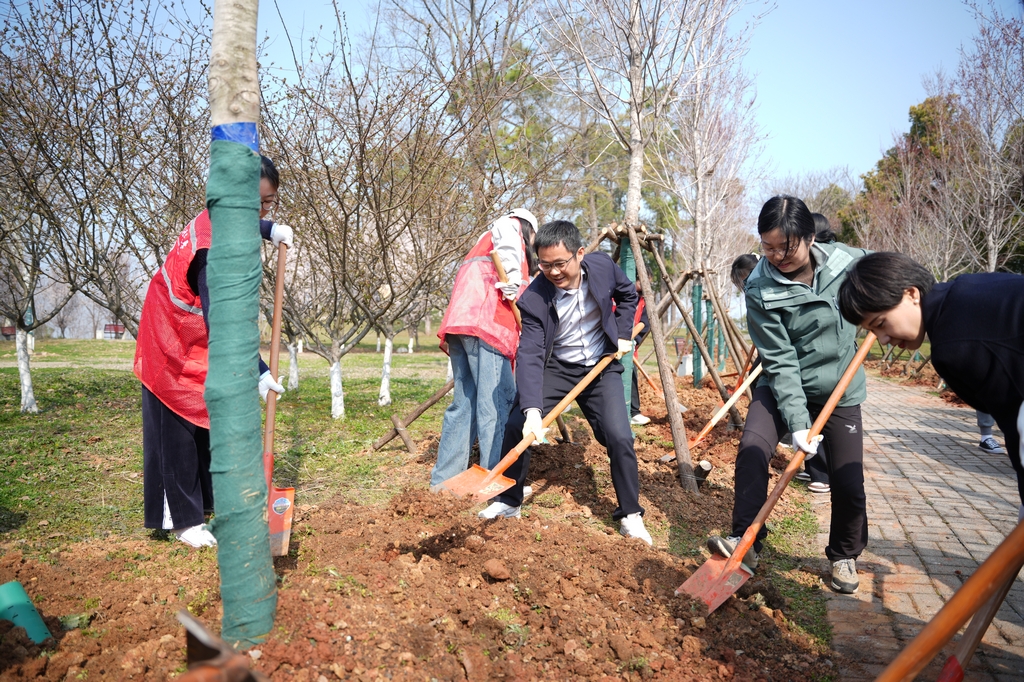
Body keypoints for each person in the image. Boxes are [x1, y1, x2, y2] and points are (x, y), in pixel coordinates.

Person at [708, 195, 870, 594]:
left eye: (786, 246)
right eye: (768, 247)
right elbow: (780, 361)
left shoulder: (847, 262)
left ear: (810, 238)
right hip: (784, 384)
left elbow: (887, 278)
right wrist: (797, 423)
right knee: (752, 448)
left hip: (839, 386)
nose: (777, 256)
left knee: (848, 479)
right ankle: (745, 541)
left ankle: (844, 554)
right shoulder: (760, 287)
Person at [134, 155, 292, 548]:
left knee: (206, 415)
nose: (261, 210)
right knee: (176, 427)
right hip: (169, 336)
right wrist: (257, 370)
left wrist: (269, 230)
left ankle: (205, 504)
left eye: (268, 202)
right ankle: (182, 522)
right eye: (257, 204)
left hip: (196, 335)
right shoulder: (211, 251)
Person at [477, 220, 652, 545]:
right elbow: (530, 353)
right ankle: (509, 501)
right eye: (545, 265)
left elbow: (628, 295)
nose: (554, 272)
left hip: (601, 366)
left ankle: (630, 513)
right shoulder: (535, 298)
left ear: (579, 254)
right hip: (558, 367)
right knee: (516, 424)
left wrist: (622, 332)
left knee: (619, 436)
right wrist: (532, 410)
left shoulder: (602, 268)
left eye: (560, 263)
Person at [837, 252, 1024, 516]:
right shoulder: (965, 288)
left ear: (911, 293)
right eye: (872, 331)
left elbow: (1017, 421)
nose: (882, 339)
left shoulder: (954, 345)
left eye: (880, 323)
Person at [430, 209, 538, 488]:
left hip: (462, 324)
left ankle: (443, 482)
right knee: (497, 404)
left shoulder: (483, 239)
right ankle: (495, 480)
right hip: (487, 325)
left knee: (464, 404)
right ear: (528, 227)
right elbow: (509, 264)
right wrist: (513, 281)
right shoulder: (510, 226)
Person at [629, 284, 652, 426]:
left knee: (631, 375)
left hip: (630, 344)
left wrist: (634, 340)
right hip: (609, 342)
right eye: (641, 281)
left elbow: (645, 323)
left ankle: (633, 412)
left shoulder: (644, 300)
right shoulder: (616, 294)